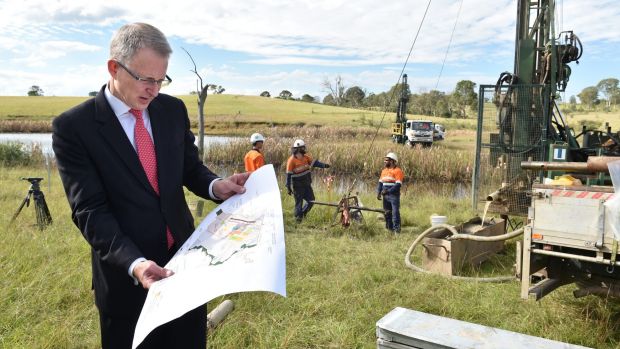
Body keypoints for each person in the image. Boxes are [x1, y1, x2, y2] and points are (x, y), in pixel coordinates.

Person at [52, 23, 249, 349]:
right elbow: (90, 211)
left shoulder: (172, 110)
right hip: (127, 282)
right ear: (114, 68)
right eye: (145, 79)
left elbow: (189, 168)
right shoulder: (74, 128)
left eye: (161, 80)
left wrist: (217, 186)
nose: (154, 90)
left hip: (186, 268)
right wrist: (135, 263)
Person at [285, 139, 330, 222]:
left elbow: (315, 163)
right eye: (303, 147)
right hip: (297, 186)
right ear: (298, 148)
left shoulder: (306, 157)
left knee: (311, 200)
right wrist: (288, 187)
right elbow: (288, 175)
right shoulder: (291, 160)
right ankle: (298, 220)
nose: (304, 149)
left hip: (307, 184)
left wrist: (324, 165)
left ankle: (302, 214)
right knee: (299, 203)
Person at [377, 152, 404, 233]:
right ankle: (389, 229)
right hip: (385, 196)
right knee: (387, 213)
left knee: (395, 213)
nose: (384, 161)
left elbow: (398, 185)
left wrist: (388, 191)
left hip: (394, 196)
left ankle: (397, 230)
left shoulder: (398, 171)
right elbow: (380, 183)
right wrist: (378, 192)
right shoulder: (384, 171)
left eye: (386, 160)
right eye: (384, 160)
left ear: (392, 161)